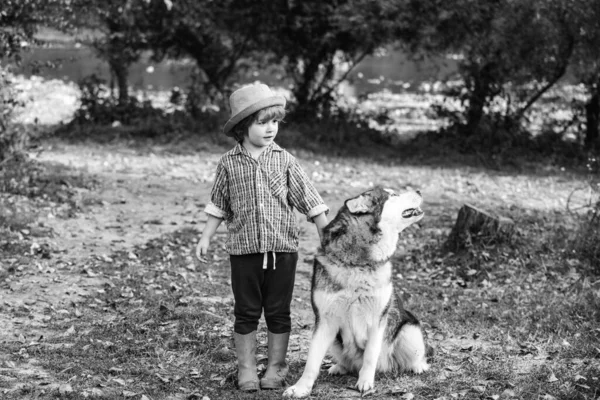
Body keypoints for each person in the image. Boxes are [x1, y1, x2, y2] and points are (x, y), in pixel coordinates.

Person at [196, 83, 329, 392]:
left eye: (275, 121)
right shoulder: (229, 164)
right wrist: (205, 237)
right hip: (243, 252)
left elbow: (311, 201)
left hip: (282, 251)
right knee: (246, 311)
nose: (271, 128)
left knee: (278, 310)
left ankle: (276, 366)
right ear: (244, 126)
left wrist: (328, 236)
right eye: (263, 122)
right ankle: (246, 368)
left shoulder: (285, 161)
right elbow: (218, 204)